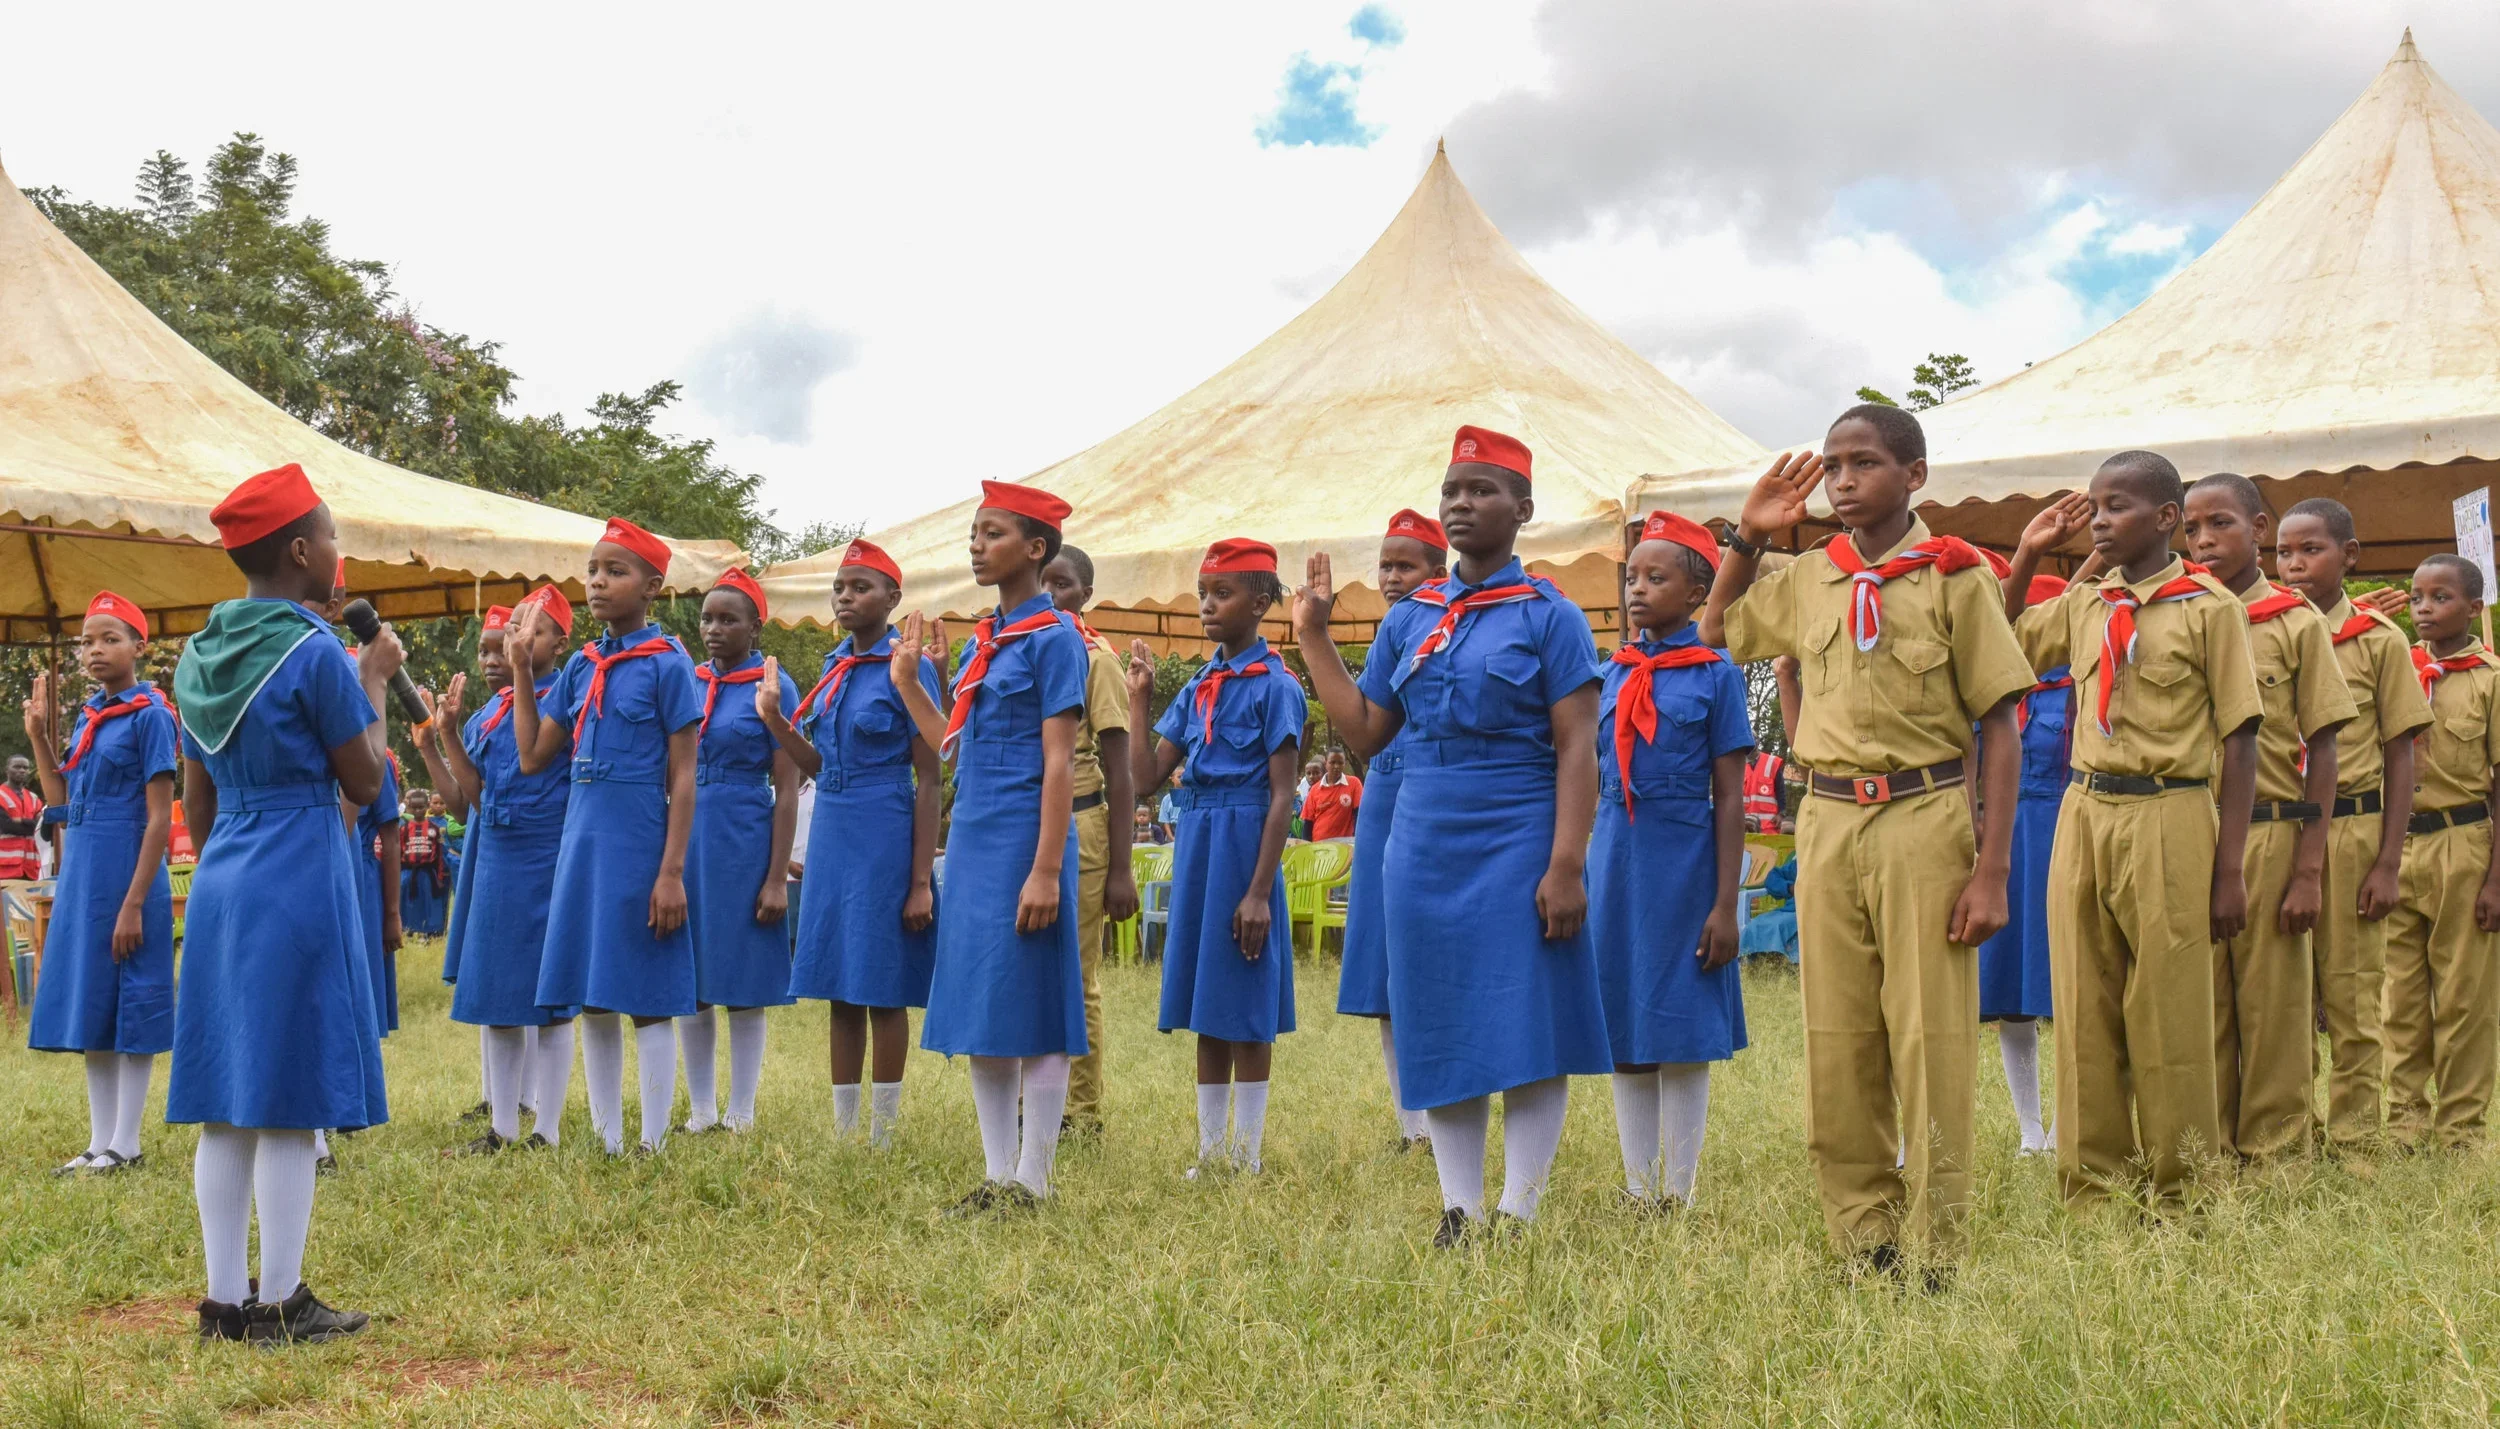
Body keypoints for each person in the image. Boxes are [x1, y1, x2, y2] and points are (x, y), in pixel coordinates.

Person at [1698, 406, 2032, 1278]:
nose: (1844, 481)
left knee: (1930, 1037)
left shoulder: (1957, 576)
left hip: (1925, 815)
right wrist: (1747, 534)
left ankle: (1936, 1244)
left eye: (1865, 463)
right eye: (1834, 465)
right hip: (1828, 817)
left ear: (1914, 475)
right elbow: (1712, 632)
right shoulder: (1811, 574)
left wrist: (1991, 867)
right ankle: (1864, 1239)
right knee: (1838, 1036)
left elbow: (2001, 723)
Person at [1295, 425, 1612, 1246]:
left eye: (1482, 490)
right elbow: (1365, 730)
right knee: (1436, 1013)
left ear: (1523, 509)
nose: (1463, 503)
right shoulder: (1409, 622)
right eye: (1452, 491)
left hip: (1520, 824)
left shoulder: (1552, 616)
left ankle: (1521, 1207)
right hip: (1423, 834)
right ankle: (1460, 1206)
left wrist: (1567, 863)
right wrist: (1315, 637)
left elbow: (1579, 745)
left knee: (1528, 1015)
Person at [170, 462, 399, 1344]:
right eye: (334, 536)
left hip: (226, 870)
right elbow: (366, 775)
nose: (340, 552)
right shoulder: (313, 651)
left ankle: (225, 1303)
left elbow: (197, 800)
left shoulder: (196, 653)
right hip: (299, 867)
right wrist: (374, 676)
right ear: (303, 552)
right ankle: (287, 1298)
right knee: (292, 1089)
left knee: (228, 1091)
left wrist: (233, 838)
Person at [2003, 456, 2262, 1213]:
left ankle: (2182, 1191)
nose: (2100, 520)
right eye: (2094, 506)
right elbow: (2003, 641)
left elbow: (2242, 741)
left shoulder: (2210, 609)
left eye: (2115, 507)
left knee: (2172, 1008)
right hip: (2084, 811)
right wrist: (2026, 553)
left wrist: (2230, 868)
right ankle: (2094, 1188)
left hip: (2170, 808)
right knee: (2082, 1003)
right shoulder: (2088, 604)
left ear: (2166, 519)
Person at [889, 481, 1090, 1213]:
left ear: (1035, 550)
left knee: (1033, 1003)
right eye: (974, 532)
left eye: (993, 532)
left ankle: (1035, 1179)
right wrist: (910, 685)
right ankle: (997, 1176)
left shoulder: (1053, 639)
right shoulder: (986, 641)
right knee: (982, 1003)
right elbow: (952, 748)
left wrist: (1045, 868)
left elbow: (1060, 760)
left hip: (1025, 834)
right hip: (973, 836)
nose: (976, 543)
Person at [507, 519, 703, 1157]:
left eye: (615, 572)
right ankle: (608, 1138)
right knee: (592, 991)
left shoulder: (668, 664)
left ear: (652, 587)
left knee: (644, 988)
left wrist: (671, 872)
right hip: (583, 836)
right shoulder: (583, 665)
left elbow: (683, 772)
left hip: (639, 835)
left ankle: (651, 1140)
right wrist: (517, 670)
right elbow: (535, 755)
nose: (597, 582)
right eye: (593, 570)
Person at [2182, 474, 2355, 1160]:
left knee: (2276, 1005)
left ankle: (2278, 1156)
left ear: (2258, 529)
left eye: (2219, 524)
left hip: (2270, 831)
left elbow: (2326, 746)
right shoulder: (2178, 612)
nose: (2202, 541)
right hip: (2188, 829)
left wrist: (2308, 869)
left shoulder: (2293, 622)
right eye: (2191, 529)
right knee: (2203, 1005)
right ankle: (2213, 1149)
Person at [1126, 539, 1305, 1177]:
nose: (1207, 606)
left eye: (1221, 594)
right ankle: (1209, 1153)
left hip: (1246, 841)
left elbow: (1284, 795)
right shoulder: (1199, 686)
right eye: (1203, 594)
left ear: (1259, 605)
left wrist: (1259, 892)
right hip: (1198, 841)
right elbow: (1145, 777)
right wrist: (1141, 698)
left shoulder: (1276, 688)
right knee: (1208, 1000)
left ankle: (1248, 1154)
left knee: (1248, 1001)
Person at [1592, 512, 1753, 1210]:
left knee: (1681, 1023)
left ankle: (1677, 1192)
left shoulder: (1717, 676)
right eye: (1631, 577)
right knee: (1625, 1022)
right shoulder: (1603, 677)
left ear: (1696, 593)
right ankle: (1637, 1184)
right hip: (1615, 864)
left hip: (1686, 866)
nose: (1637, 589)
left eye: (1656, 577)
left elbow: (1729, 797)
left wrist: (1725, 903)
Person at [775, 539, 944, 1146]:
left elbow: (930, 778)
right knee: (837, 984)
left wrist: (921, 880)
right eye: (840, 588)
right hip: (835, 829)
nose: (846, 597)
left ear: (893, 599)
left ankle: (884, 1132)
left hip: (885, 826)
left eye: (861, 587)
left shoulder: (910, 666)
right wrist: (774, 721)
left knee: (880, 983)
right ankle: (846, 1132)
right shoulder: (831, 667)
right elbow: (817, 763)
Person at [2277, 500, 2431, 1149]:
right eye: (2283, 552)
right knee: (2282, 995)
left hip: (2351, 831)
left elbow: (2403, 752)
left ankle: (2357, 1142)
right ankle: (2292, 1135)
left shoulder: (2378, 641)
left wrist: (2389, 860)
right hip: (2279, 833)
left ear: (2351, 556)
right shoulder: (2265, 632)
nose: (2294, 564)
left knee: (2353, 994)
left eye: (2310, 549)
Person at [22, 591, 176, 1177]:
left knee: (130, 1003)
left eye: (110, 639)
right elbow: (60, 801)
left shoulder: (152, 716)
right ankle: (98, 1141)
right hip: (84, 872)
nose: (95, 651)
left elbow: (160, 816)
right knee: (95, 1003)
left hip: (128, 873)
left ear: (139, 647)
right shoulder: (90, 717)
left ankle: (128, 1142)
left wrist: (135, 901)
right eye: (87, 641)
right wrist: (39, 736)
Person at [420, 589, 578, 1154]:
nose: (516, 640)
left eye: (530, 630)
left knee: (550, 999)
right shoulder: (492, 711)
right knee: (498, 996)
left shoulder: (567, 695)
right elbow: (475, 798)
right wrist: (446, 733)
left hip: (547, 853)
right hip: (499, 856)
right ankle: (503, 1127)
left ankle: (547, 1129)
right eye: (514, 626)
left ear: (559, 643)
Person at [2381, 554, 2500, 1149]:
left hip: (2464, 845)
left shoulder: (2492, 679)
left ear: (2475, 609)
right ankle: (2405, 1120)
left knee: (2463, 996)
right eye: (2417, 596)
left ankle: (2462, 1129)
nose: (2425, 608)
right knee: (2399, 994)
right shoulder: (2396, 670)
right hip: (2397, 846)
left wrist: (2496, 879)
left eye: (2441, 597)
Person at [1336, 507, 1446, 1151]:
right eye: (1384, 565)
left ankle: (1448, 1112)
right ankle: (1413, 1130)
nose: (1391, 577)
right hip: (1383, 795)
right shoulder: (1390, 633)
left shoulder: (1459, 622)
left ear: (1440, 570)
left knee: (1435, 963)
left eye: (1405, 565)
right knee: (1386, 969)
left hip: (1437, 792)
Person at [679, 569, 802, 1135]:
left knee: (744, 978)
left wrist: (777, 877)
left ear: (756, 627)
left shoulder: (773, 686)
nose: (714, 629)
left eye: (729, 619)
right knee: (692, 977)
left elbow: (786, 787)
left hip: (745, 838)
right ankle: (701, 1108)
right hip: (688, 837)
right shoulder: (688, 680)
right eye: (707, 617)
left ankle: (742, 1111)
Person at [1975, 574, 2077, 1157]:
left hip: (2062, 835)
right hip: (2006, 846)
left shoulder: (2084, 686)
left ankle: (2067, 1127)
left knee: (2065, 988)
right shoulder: (1996, 696)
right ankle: (2030, 1130)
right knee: (2011, 991)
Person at [1042, 543, 1139, 1137]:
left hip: (1083, 825)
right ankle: (1035, 1103)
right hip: (1028, 824)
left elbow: (1121, 768)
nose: (1052, 593)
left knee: (1076, 977)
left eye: (1063, 584)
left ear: (1085, 594)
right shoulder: (1020, 648)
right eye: (1043, 582)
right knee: (1032, 972)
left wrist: (1123, 868)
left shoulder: (1094, 657)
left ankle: (1080, 1113)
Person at [398, 785, 450, 940]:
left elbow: (440, 853)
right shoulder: (404, 829)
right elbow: (399, 851)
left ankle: (427, 932)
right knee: (408, 901)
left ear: (427, 807)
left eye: (421, 807)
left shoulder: (434, 828)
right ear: (408, 807)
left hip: (427, 872)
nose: (417, 811)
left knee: (427, 901)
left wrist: (440, 875)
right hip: (408, 872)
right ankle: (408, 930)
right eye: (413, 808)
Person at [1300, 749, 1362, 842]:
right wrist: (1306, 846)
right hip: (1318, 846)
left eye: (1340, 763)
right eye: (1332, 762)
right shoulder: (1315, 789)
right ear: (1326, 763)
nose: (1336, 766)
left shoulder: (1354, 783)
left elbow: (1359, 815)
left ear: (1344, 764)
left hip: (1344, 845)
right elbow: (1308, 823)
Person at [0, 753, 44, 882]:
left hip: (30, 868)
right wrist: (31, 824)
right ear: (7, 770)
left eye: (25, 767)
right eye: (17, 767)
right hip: (4, 868)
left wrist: (21, 821)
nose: (22, 770)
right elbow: (6, 826)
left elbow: (41, 827)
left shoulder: (34, 798)